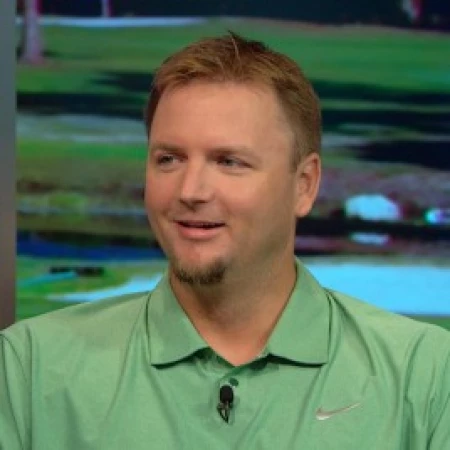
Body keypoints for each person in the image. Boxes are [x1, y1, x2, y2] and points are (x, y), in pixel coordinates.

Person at [1, 33, 449, 450]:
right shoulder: (28, 369)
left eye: (229, 161)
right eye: (169, 159)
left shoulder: (426, 377)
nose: (191, 191)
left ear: (304, 185)